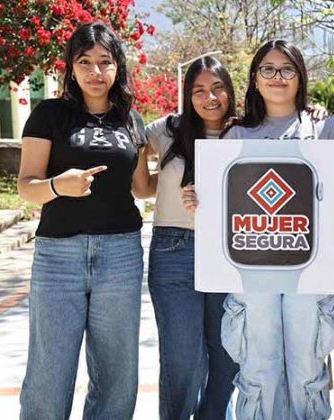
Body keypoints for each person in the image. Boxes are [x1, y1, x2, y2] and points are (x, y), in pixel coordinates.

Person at [184, 39, 334, 420]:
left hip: (309, 269)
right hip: (251, 268)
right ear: (255, 78)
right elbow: (221, 201)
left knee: (307, 366)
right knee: (258, 368)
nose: (277, 77)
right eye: (268, 69)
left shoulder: (326, 129)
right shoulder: (236, 134)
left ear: (300, 76)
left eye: (287, 69)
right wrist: (200, 203)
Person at [17, 22, 146, 419]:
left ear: (118, 66)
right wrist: (59, 185)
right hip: (58, 256)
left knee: (117, 373)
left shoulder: (132, 120)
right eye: (85, 62)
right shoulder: (50, 114)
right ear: (71, 68)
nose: (95, 72)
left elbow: (143, 187)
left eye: (105, 62)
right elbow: (26, 185)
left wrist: (201, 180)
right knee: (49, 372)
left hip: (121, 254)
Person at [133, 56, 239, 420]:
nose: (210, 98)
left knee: (227, 355)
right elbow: (138, 169)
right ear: (187, 96)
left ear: (230, 91)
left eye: (217, 88)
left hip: (229, 251)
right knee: (182, 358)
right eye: (199, 90)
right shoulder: (168, 129)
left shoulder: (245, 132)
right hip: (174, 250)